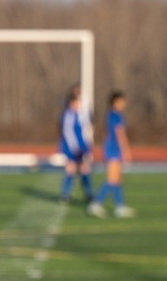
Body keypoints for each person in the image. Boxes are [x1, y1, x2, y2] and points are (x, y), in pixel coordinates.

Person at [87, 90, 136, 219]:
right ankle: (96, 204)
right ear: (116, 102)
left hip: (110, 148)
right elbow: (120, 133)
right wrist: (126, 150)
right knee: (112, 179)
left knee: (117, 179)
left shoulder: (109, 115)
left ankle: (120, 206)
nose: (124, 103)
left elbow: (106, 133)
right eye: (121, 101)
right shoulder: (117, 116)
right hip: (114, 149)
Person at [58, 88, 95, 205]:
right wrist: (74, 148)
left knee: (85, 170)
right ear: (71, 103)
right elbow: (67, 133)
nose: (78, 105)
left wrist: (86, 147)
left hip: (82, 147)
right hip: (71, 148)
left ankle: (88, 194)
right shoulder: (67, 115)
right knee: (71, 170)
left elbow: (87, 128)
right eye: (76, 102)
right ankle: (65, 194)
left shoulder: (79, 114)